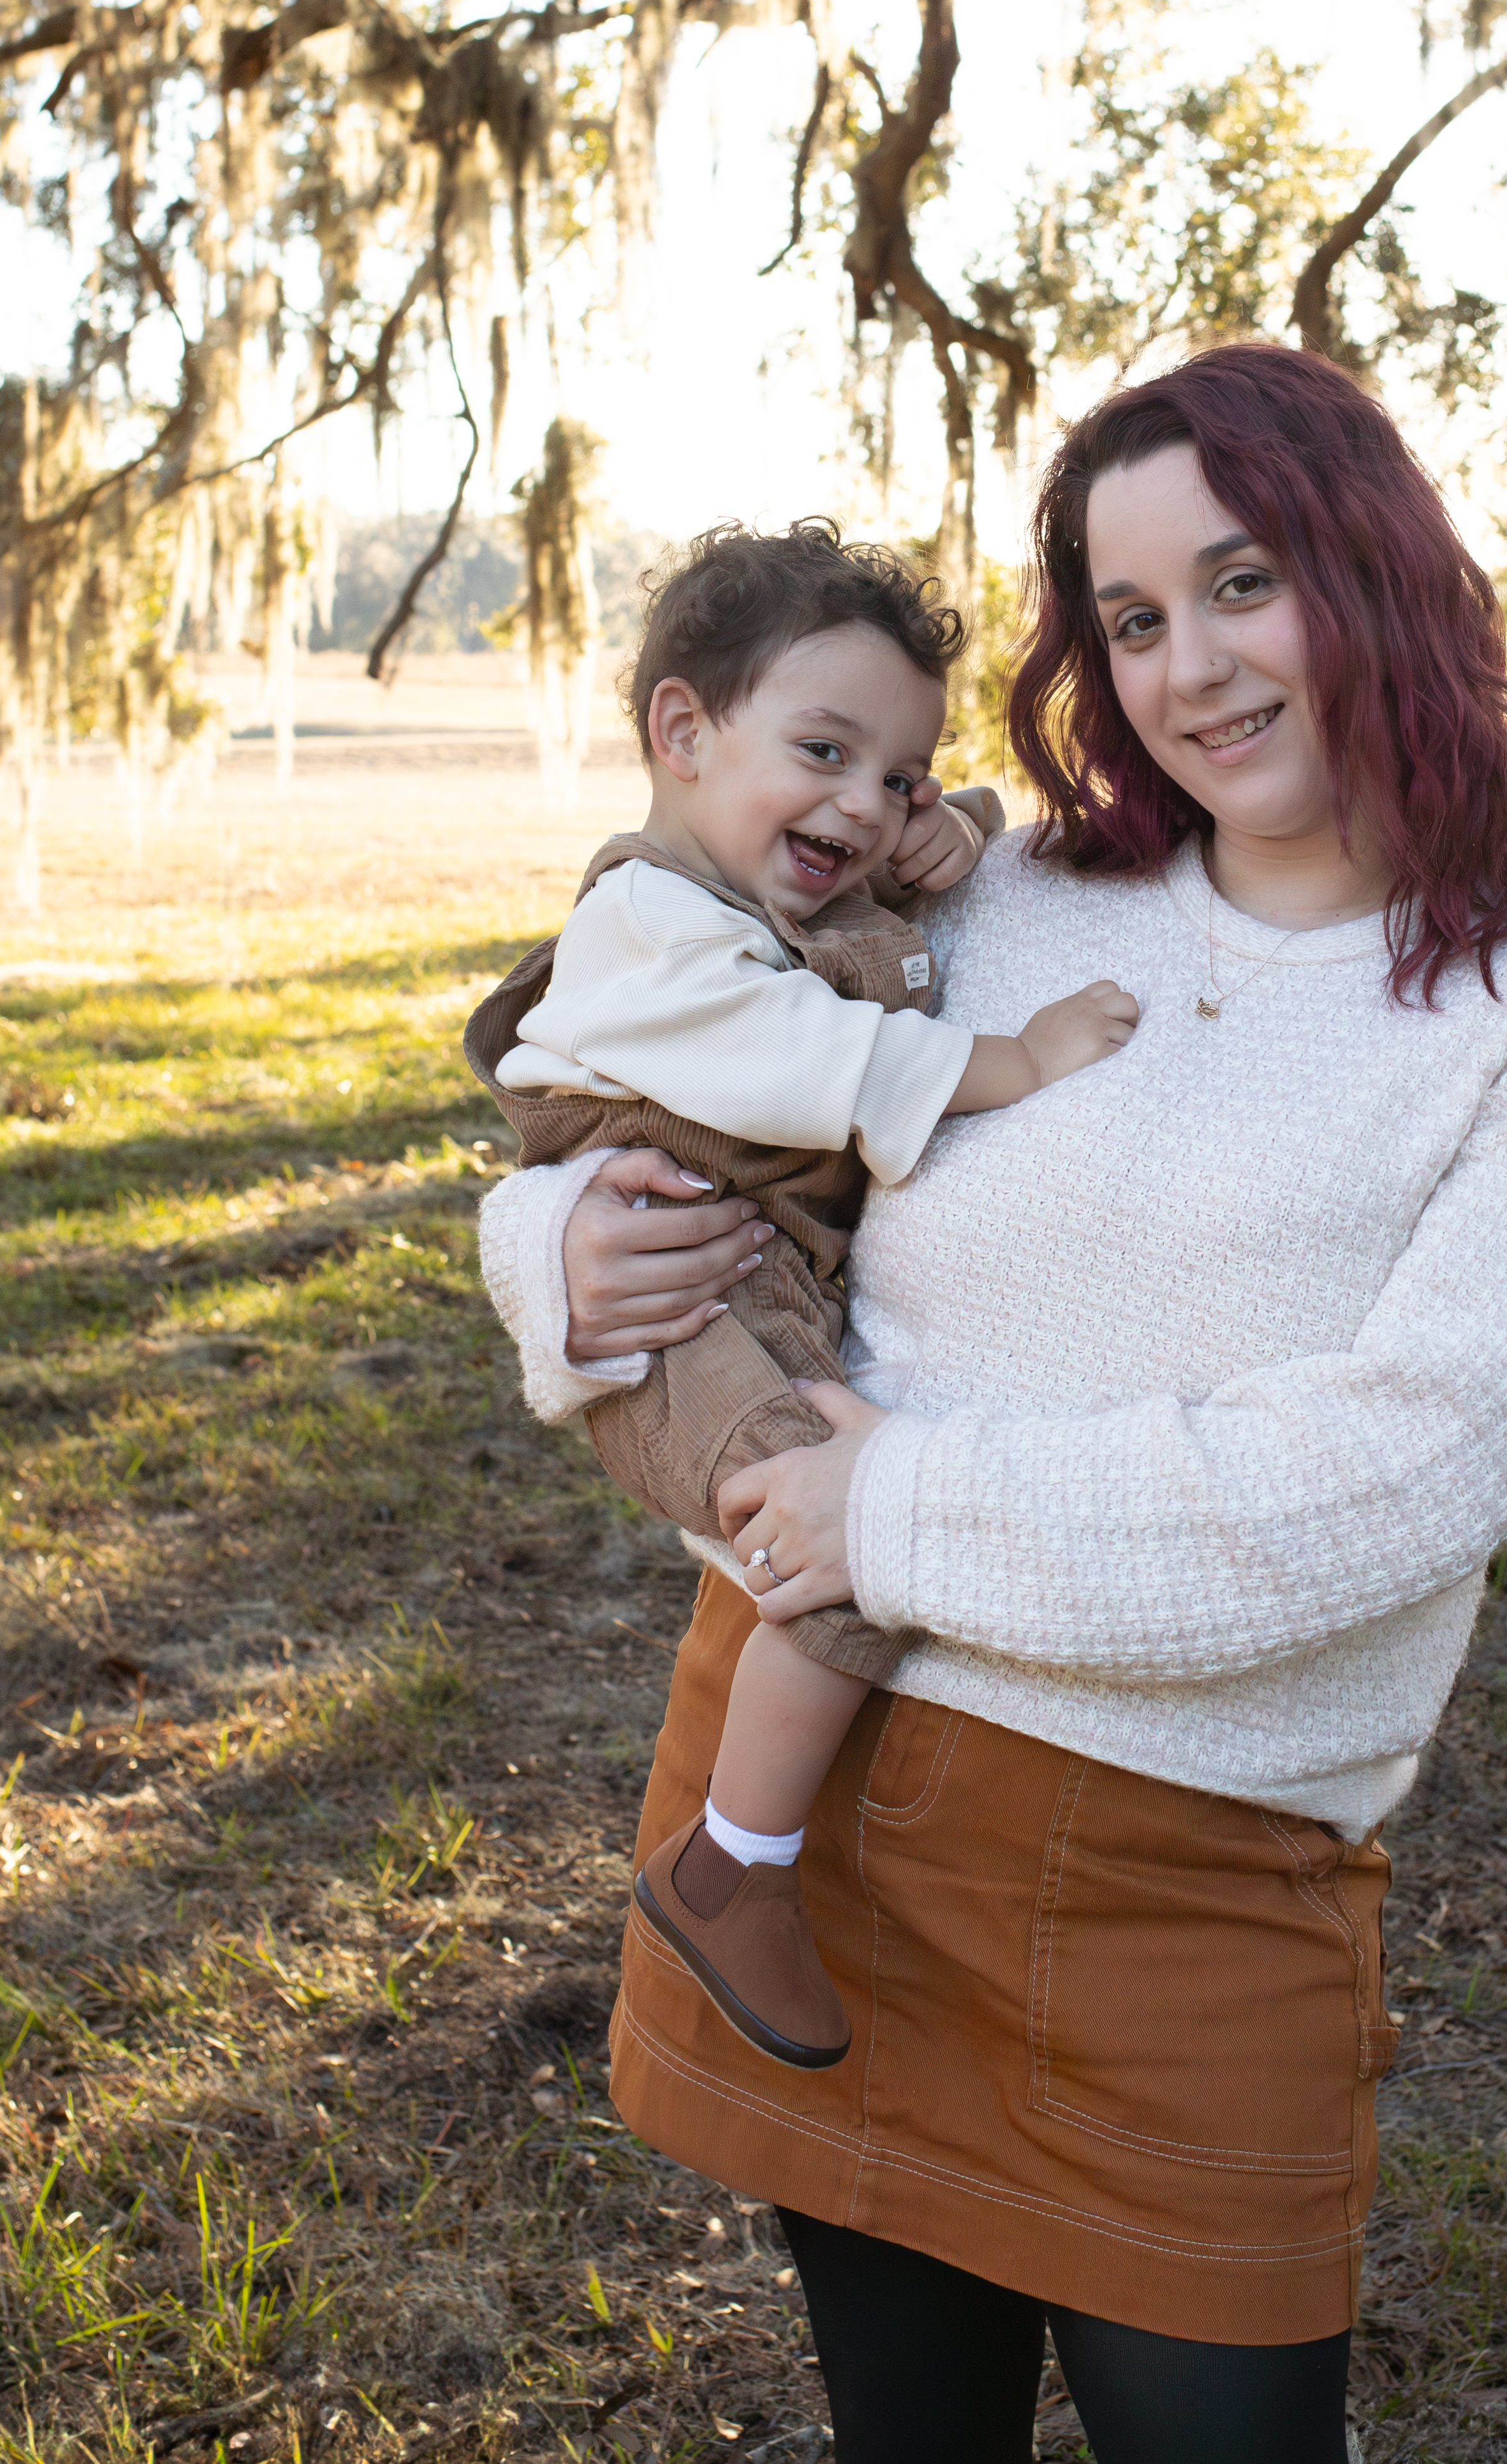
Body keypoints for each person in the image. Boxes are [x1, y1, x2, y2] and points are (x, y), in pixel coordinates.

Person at [476, 345, 1507, 2464]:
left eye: (1240, 583)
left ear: (1373, 566)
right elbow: (647, 1055)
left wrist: (901, 1518)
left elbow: (1390, 1477)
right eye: (1127, 619)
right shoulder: (1006, 888)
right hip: (811, 1823)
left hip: (1188, 1871)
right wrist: (548, 1256)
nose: (1184, 668)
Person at [464, 521, 1138, 2069]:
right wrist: (1020, 1059)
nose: (863, 803)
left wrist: (945, 833)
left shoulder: (776, 891)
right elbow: (817, 1059)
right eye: (825, 751)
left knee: (854, 1536)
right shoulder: (651, 923)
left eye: (899, 773)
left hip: (749, 1292)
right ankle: (731, 1866)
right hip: (681, 1327)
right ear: (683, 732)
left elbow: (857, 924)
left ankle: (753, 1854)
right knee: (837, 1560)